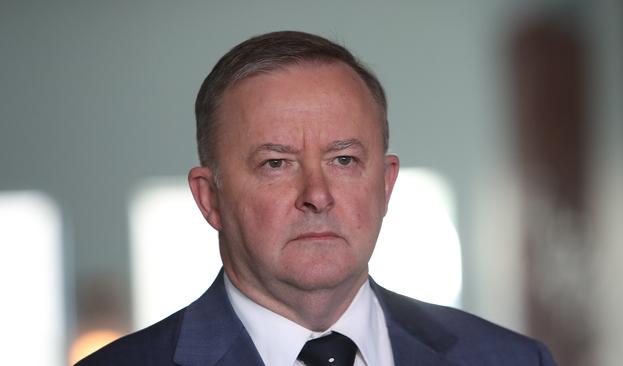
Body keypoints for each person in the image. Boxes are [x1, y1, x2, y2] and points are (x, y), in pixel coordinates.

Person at [77, 30, 556, 366]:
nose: (317, 196)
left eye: (344, 160)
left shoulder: (510, 359)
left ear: (386, 185)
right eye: (276, 163)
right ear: (210, 199)